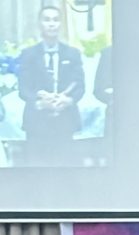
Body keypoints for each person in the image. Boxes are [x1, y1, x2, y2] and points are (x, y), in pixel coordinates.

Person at [17, 5, 85, 167]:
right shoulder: (28, 54)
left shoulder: (72, 54)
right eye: (47, 20)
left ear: (61, 24)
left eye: (55, 20)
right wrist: (39, 101)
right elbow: (23, 88)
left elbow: (80, 86)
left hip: (65, 121)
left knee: (65, 169)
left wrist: (68, 100)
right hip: (37, 123)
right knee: (37, 169)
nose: (51, 24)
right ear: (39, 24)